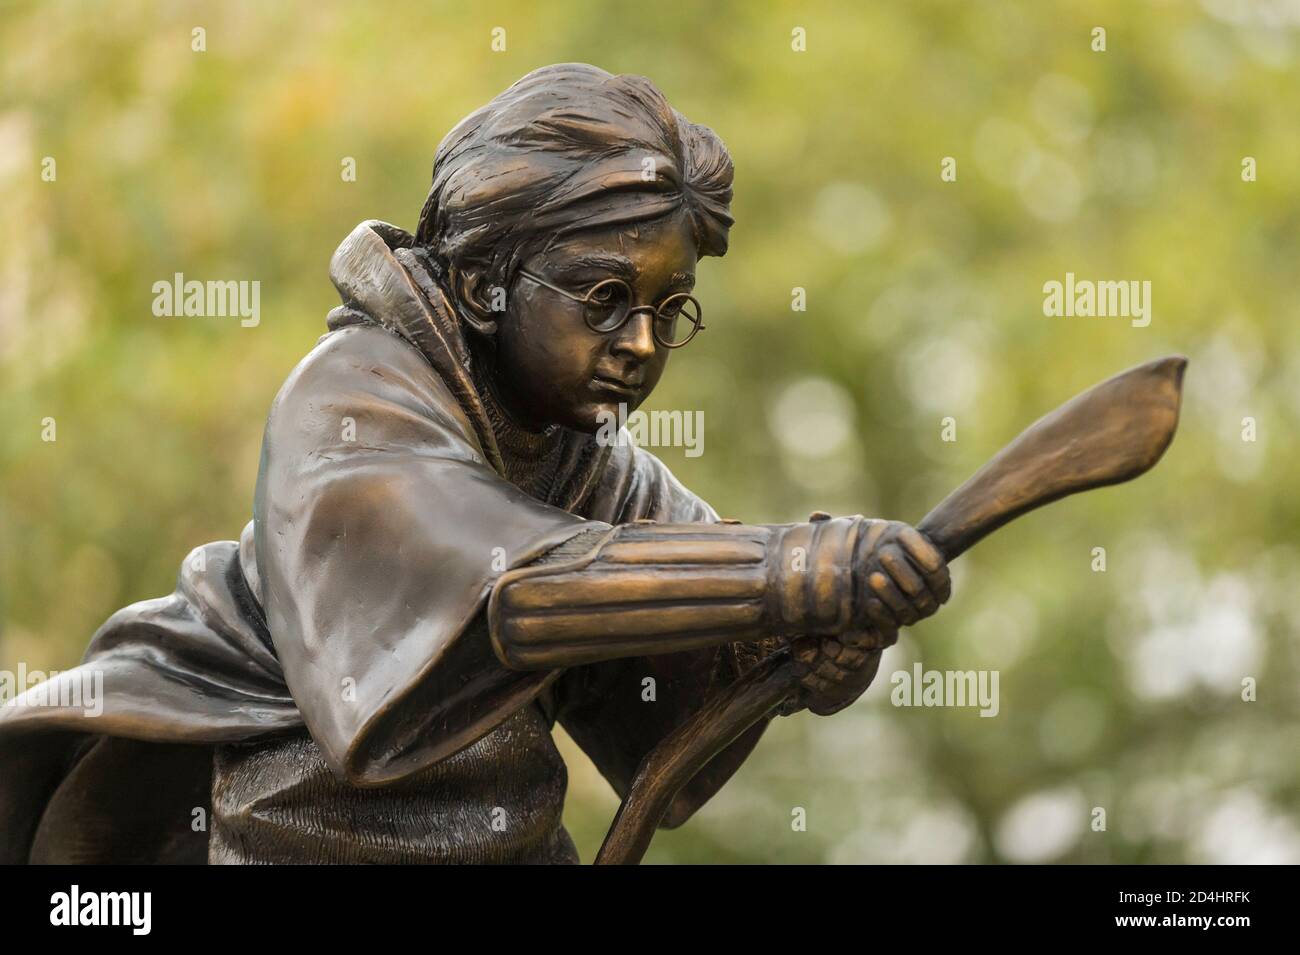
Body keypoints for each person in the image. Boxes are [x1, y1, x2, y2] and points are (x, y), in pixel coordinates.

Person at [0, 63, 949, 864]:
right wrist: (784, 574)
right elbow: (517, 591)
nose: (643, 344)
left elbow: (692, 646)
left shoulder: (596, 461)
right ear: (482, 284)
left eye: (671, 309)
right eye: (608, 297)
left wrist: (802, 651)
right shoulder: (353, 397)